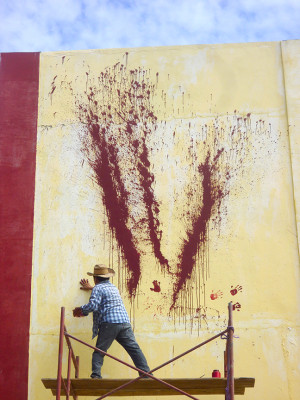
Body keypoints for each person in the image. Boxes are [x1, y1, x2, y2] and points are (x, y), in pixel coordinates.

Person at [73, 264, 151, 379]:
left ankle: (96, 376)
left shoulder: (98, 288)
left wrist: (82, 310)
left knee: (100, 351)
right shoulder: (113, 287)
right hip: (124, 322)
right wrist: (91, 288)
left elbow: (93, 305)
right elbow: (104, 293)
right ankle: (146, 374)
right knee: (134, 349)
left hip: (109, 323)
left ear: (95, 278)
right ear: (107, 277)